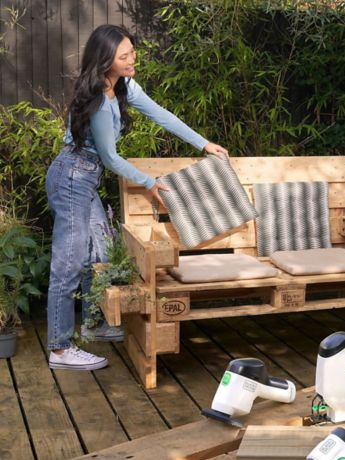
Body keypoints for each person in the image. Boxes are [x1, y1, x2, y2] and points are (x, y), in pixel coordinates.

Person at [45, 24, 229, 371]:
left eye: (132, 52)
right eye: (125, 55)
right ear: (106, 60)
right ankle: (59, 349)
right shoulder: (99, 99)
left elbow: (161, 114)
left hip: (84, 176)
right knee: (68, 262)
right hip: (71, 176)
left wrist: (203, 143)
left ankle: (95, 323)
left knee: (98, 251)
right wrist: (149, 183)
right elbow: (111, 157)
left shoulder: (124, 86)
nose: (133, 59)